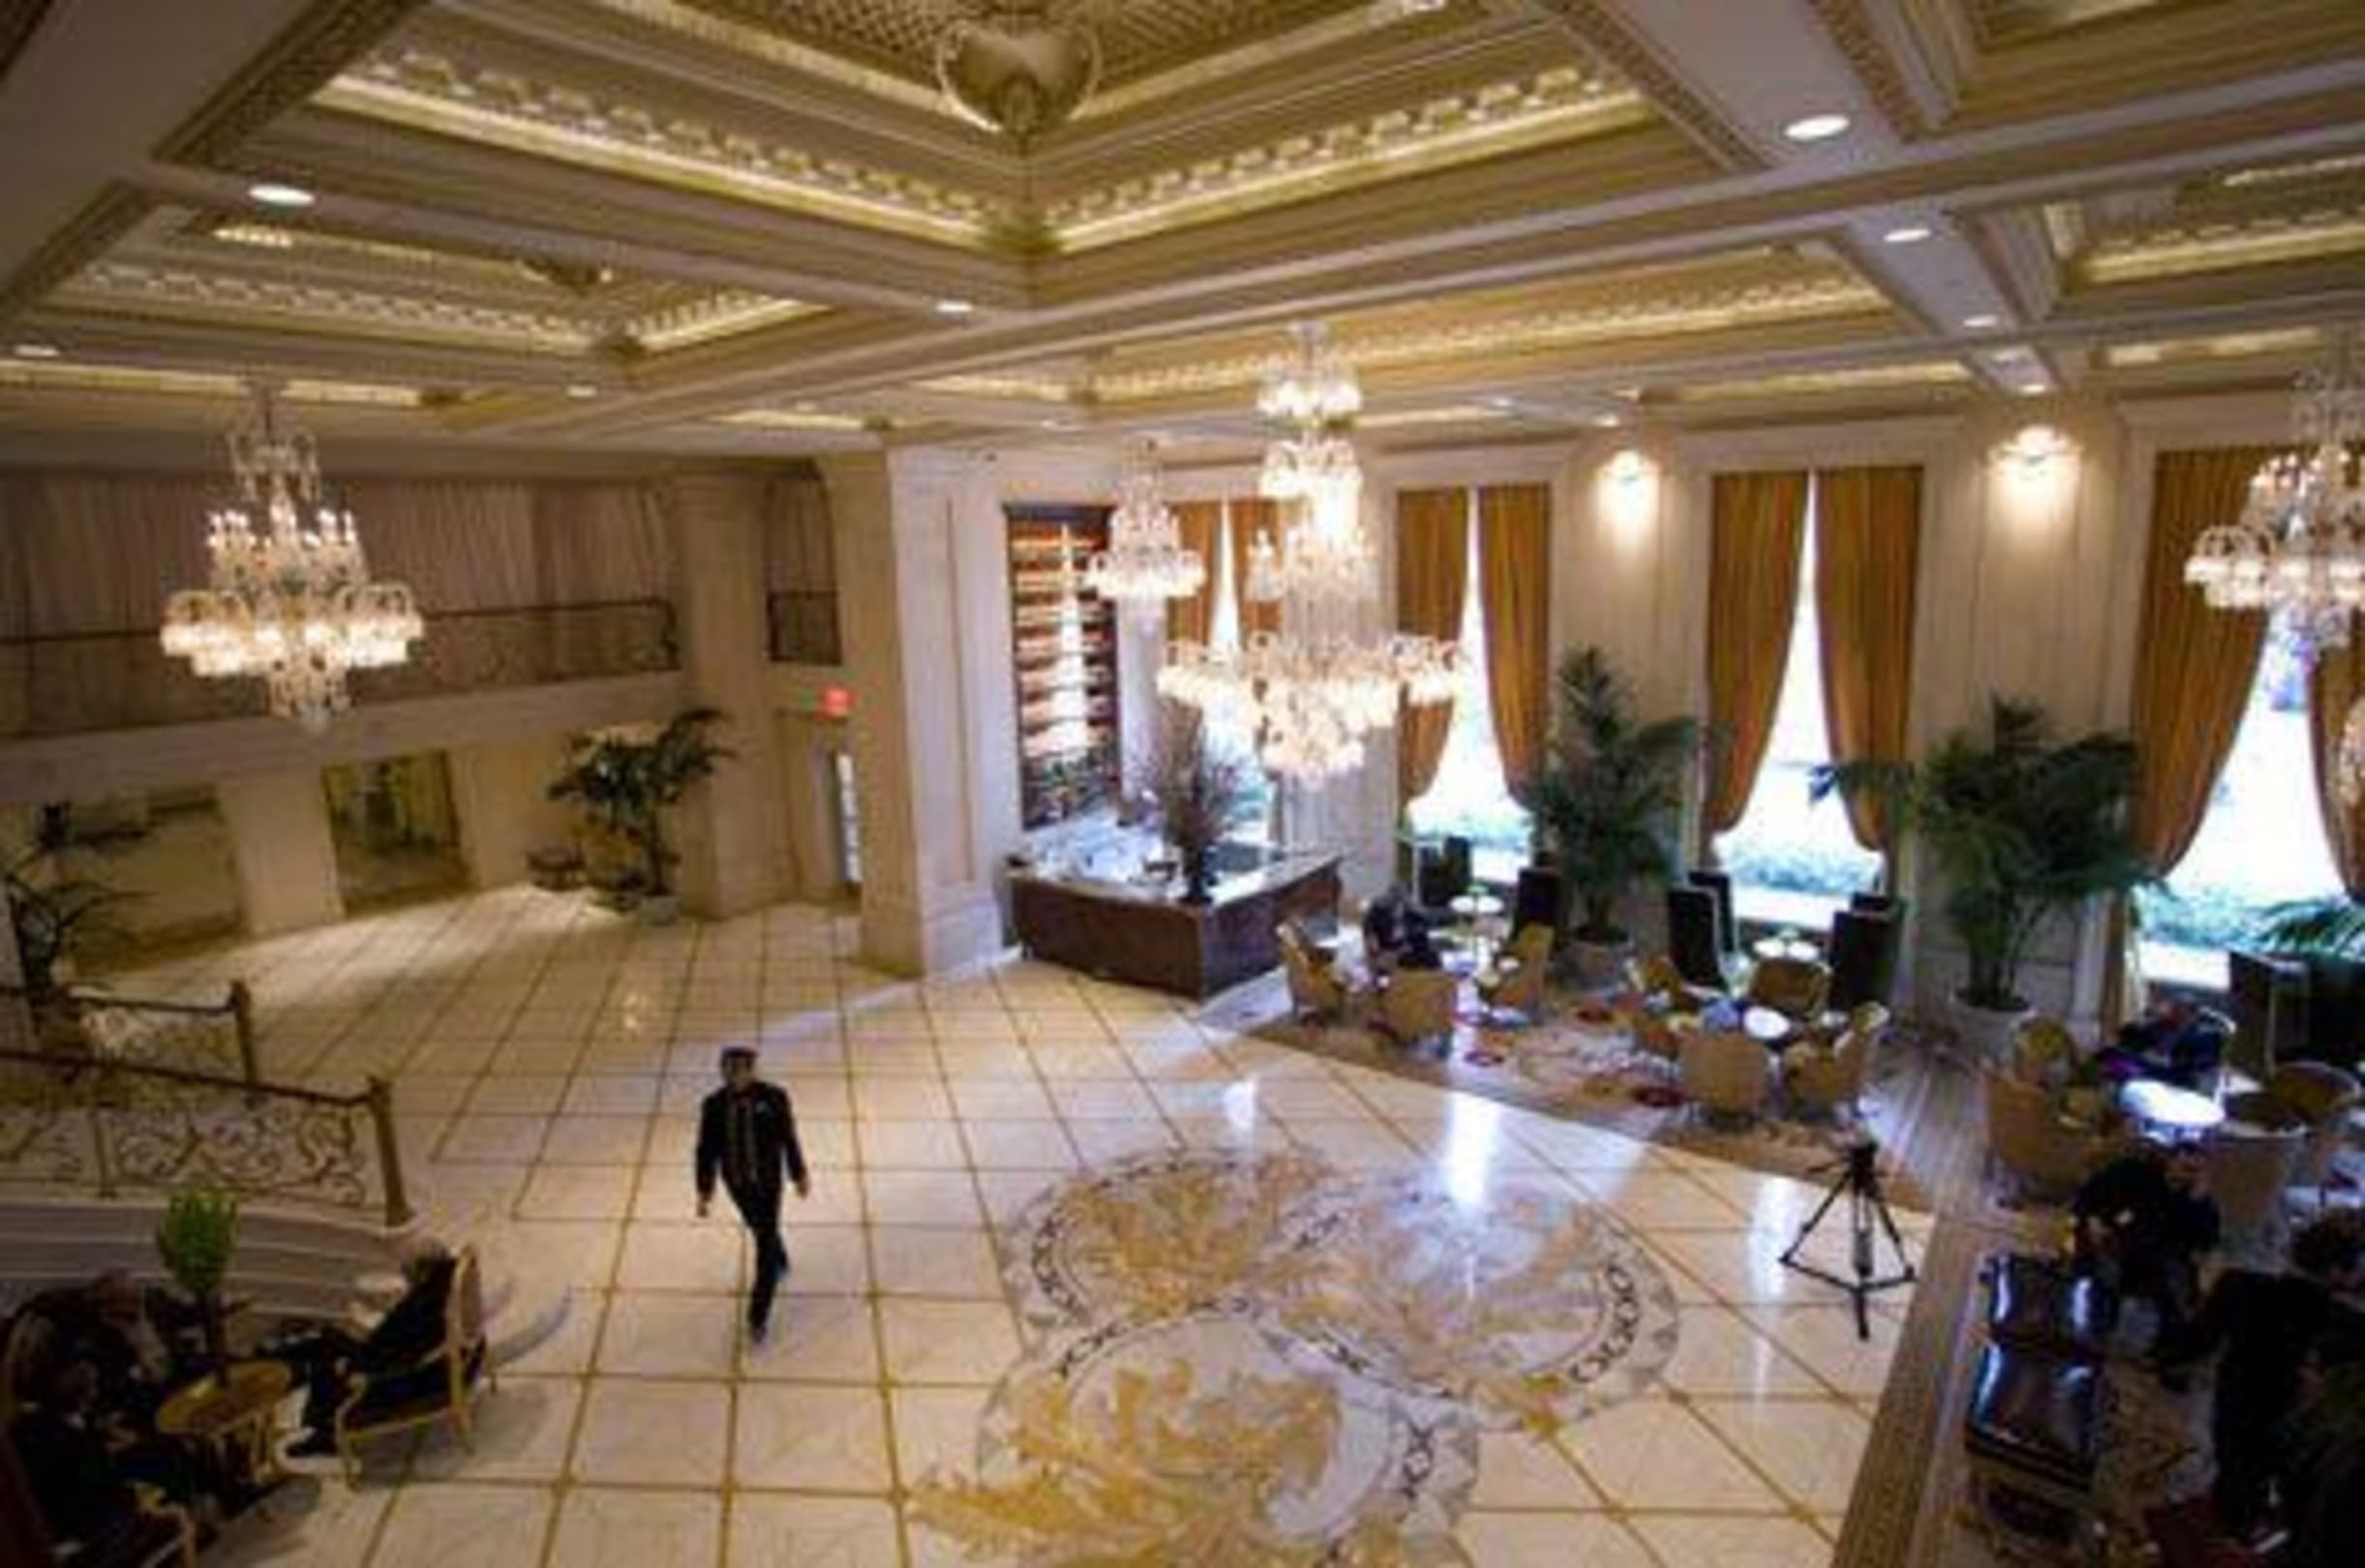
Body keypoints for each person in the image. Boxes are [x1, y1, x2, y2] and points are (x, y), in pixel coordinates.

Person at [2178, 1212, 2365, 1539]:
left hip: (2233, 1412)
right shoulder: (2342, 1321)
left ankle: (2225, 1534)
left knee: (2236, 1485)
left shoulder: (2238, 1286)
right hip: (2291, 1431)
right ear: (2337, 1271)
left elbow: (2191, 1343)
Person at [278, 1239, 459, 1459]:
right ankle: (295, 1372)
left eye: (406, 1270)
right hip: (402, 1362)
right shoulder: (439, 1289)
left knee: (324, 1354)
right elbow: (400, 1339)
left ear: (422, 1271)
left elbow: (399, 1357)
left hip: (397, 1380)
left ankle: (324, 1432)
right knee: (326, 1340)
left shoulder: (424, 1305)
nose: (404, 1276)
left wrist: (353, 1366)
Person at [696, 1045, 809, 1342]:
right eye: (729, 1071)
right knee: (760, 1229)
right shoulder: (713, 1105)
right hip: (738, 1185)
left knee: (764, 1244)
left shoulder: (774, 1098)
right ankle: (779, 1257)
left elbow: (788, 1138)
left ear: (752, 1070)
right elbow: (706, 1150)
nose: (736, 1076)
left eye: (742, 1070)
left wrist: (798, 1174)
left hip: (768, 1185)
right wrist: (705, 1189)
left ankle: (758, 1315)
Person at [2072, 1139, 2220, 1353]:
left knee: (2177, 1290)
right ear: (2170, 1161)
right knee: (2107, 1275)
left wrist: (2196, 1204)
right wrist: (2094, 1220)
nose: (2187, 1176)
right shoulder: (2135, 1173)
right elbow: (2090, 1195)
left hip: (2161, 1257)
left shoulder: (2197, 1200)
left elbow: (2205, 1241)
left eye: (2195, 1172)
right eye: (2185, 1168)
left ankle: (2165, 1351)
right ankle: (2097, 1338)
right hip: (2119, 1242)